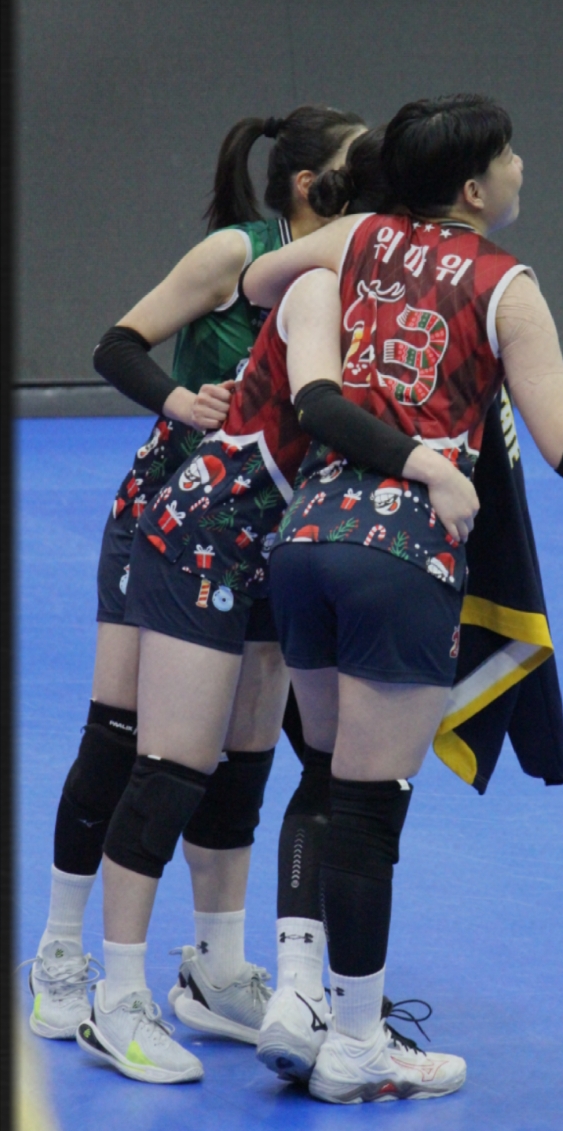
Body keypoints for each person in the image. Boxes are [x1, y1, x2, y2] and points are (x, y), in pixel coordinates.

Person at [240, 93, 563, 1103]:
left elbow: (262, 281)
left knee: (323, 777)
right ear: (474, 189)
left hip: (303, 540)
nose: (522, 166)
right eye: (509, 157)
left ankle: (299, 997)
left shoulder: (353, 235)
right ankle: (354, 1042)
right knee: (370, 808)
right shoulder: (504, 287)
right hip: (399, 556)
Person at [74, 126, 476, 1085]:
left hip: (276, 548)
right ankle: (114, 996)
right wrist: (429, 463)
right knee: (171, 764)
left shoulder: (393, 295)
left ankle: (214, 973)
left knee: (245, 767)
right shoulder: (318, 287)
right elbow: (326, 405)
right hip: (209, 530)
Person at [22, 106, 366, 1049]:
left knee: (245, 748)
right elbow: (116, 342)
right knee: (124, 732)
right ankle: (61, 947)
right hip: (168, 513)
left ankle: (215, 963)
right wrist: (185, 401)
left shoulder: (347, 270)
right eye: (358, 162)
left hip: (266, 523)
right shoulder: (238, 253)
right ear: (311, 185)